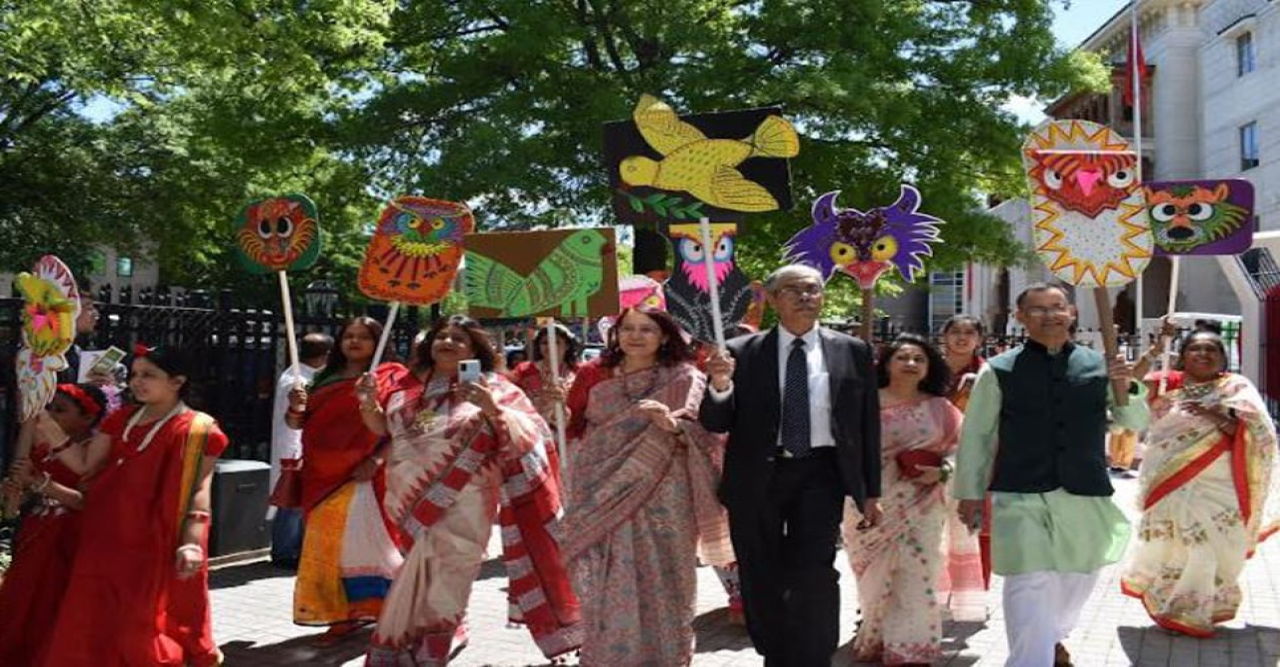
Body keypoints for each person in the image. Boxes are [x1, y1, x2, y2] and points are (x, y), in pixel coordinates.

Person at [363, 315, 581, 664]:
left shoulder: (497, 387)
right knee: (418, 570)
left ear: (475, 349)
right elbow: (387, 431)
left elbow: (531, 432)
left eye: (458, 338)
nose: (446, 342)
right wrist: (368, 402)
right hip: (407, 498)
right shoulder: (412, 391)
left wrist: (492, 409)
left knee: (451, 570)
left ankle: (432, 647)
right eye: (441, 336)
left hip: (467, 498)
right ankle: (420, 639)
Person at [954, 283, 1148, 667]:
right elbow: (977, 435)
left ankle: (1052, 635)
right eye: (1038, 309)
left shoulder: (1100, 363)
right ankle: (1031, 658)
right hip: (1020, 491)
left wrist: (1127, 385)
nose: (1049, 315)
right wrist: (970, 493)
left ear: (1072, 313)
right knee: (1028, 580)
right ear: (1020, 317)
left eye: (1057, 307)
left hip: (1084, 487)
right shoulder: (1000, 369)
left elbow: (1132, 421)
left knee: (1080, 577)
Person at [701, 264, 882, 667]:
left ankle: (815, 656)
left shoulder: (851, 350)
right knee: (760, 570)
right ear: (772, 298)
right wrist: (720, 386)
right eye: (794, 290)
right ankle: (776, 653)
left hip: (821, 474)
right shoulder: (740, 352)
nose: (806, 297)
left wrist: (871, 491)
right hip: (758, 477)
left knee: (814, 572)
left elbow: (867, 425)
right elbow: (715, 421)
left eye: (813, 289)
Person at [558, 306, 733, 666]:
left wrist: (673, 426)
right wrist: (553, 410)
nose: (635, 336)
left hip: (665, 495)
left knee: (664, 580)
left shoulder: (685, 377)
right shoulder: (594, 375)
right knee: (606, 575)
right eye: (628, 328)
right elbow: (575, 430)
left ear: (665, 335)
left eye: (646, 329)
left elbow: (712, 436)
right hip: (600, 491)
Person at [41, 346, 230, 666]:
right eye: (134, 375)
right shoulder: (122, 418)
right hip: (104, 535)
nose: (137, 382)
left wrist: (191, 543)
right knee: (93, 618)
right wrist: (44, 424)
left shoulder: (199, 429)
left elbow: (199, 488)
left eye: (148, 375)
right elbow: (85, 464)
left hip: (155, 541)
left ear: (177, 381)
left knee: (141, 624)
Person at [1121, 324, 1279, 637]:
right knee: (1171, 543)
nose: (1203, 354)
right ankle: (1170, 605)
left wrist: (1214, 416)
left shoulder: (1235, 389)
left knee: (1208, 544)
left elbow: (1257, 435)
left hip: (1218, 484)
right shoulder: (1167, 383)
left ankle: (1195, 610)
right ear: (1182, 356)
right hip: (1168, 482)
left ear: (1223, 358)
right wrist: (1156, 348)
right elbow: (1127, 386)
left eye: (1212, 349)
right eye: (1195, 348)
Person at [843, 334, 984, 665]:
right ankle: (876, 636)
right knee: (872, 578)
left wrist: (943, 472)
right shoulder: (863, 404)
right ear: (886, 364)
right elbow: (846, 451)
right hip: (868, 503)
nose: (910, 364)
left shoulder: (940, 408)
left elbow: (963, 451)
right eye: (902, 358)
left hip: (923, 504)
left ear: (928, 367)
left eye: (918, 359)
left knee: (917, 575)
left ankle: (911, 651)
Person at [285, 317, 408, 643]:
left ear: (378, 341)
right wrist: (295, 408)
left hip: (362, 474)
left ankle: (386, 609)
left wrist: (375, 459)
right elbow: (298, 423)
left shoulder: (392, 376)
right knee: (324, 548)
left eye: (364, 337)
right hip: (319, 475)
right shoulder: (326, 377)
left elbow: (400, 426)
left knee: (362, 546)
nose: (354, 342)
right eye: (349, 336)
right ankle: (338, 613)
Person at [0, 384, 108, 664]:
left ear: (88, 419)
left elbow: (87, 502)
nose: (50, 415)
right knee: (23, 601)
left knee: (54, 604)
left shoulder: (93, 452)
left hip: (70, 539)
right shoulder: (42, 448)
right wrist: (15, 490)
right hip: (36, 533)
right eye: (49, 408)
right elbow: (25, 499)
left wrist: (40, 483)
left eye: (60, 410)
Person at [268, 332, 333, 568]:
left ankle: (292, 547)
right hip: (295, 446)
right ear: (325, 355)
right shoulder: (299, 380)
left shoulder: (298, 375)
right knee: (291, 502)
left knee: (296, 501)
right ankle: (285, 551)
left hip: (296, 444)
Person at [940, 314, 995, 587]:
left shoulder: (989, 373)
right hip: (932, 455)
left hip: (974, 456)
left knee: (976, 521)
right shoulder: (929, 369)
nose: (962, 338)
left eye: (969, 333)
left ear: (979, 339)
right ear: (945, 336)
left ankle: (974, 588)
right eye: (956, 332)